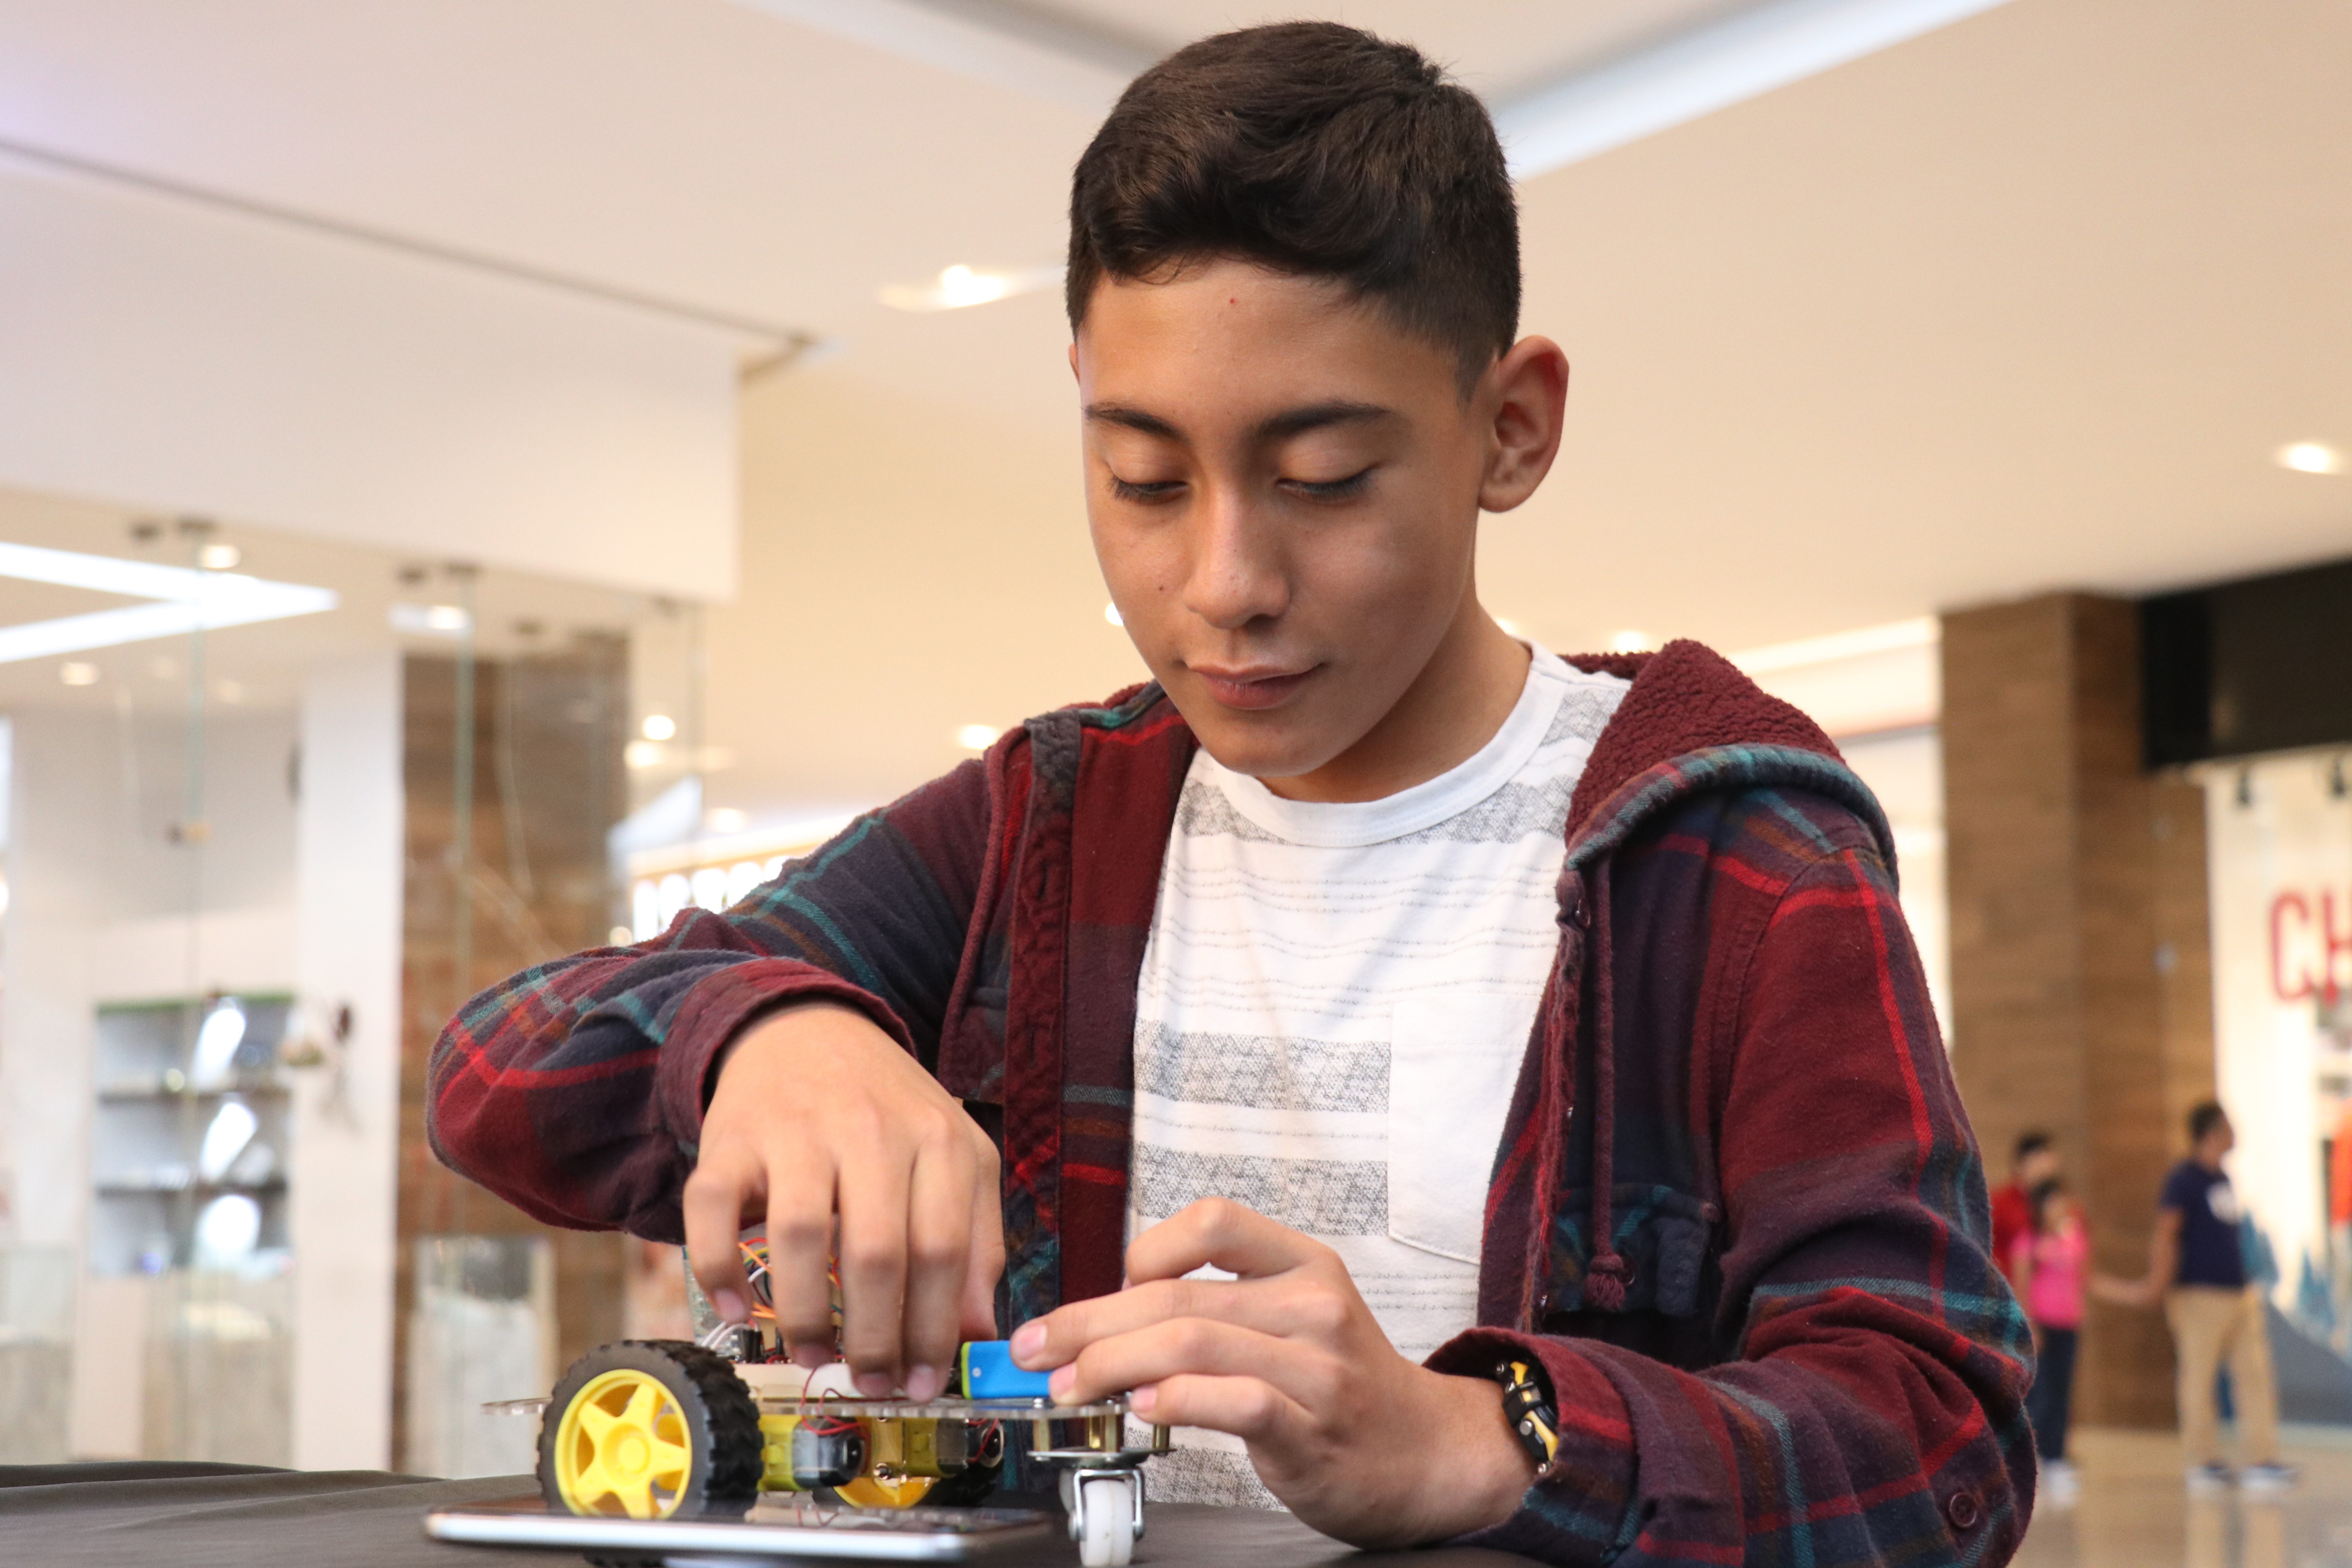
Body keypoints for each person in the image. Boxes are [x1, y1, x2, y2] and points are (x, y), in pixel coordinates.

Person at [428, 22, 2031, 1565]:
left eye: (1322, 479)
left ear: (1511, 425)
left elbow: (1938, 1445)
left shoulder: (1726, 857)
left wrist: (1481, 1442)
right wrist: (765, 1038)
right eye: (1138, 478)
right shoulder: (1044, 825)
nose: (1221, 583)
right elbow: (495, 1073)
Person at [2108, 1101, 2295, 1494]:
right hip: (2198, 1294)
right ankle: (2202, 1458)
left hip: (2237, 1293)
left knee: (2255, 1373)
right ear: (2210, 1132)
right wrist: (2159, 1282)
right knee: (2199, 1375)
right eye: (2228, 1125)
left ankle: (2262, 1456)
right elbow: (2166, 1232)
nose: (2235, 1132)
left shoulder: (2222, 1177)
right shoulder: (2184, 1179)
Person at [2012, 1178, 2087, 1503]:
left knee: (2062, 1389)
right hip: (2040, 1327)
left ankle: (2056, 1455)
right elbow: (2022, 1286)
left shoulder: (2074, 1240)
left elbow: (2085, 1279)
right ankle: (2028, 1455)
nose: (2059, 1209)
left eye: (2063, 1201)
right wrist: (2030, 1328)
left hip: (2068, 1326)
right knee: (2038, 1393)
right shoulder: (2028, 1242)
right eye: (2052, 1202)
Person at [1993, 1131, 2059, 1284]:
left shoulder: (2064, 1209)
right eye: (2038, 1162)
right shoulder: (1998, 1204)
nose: (2044, 1171)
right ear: (2019, 1164)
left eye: (2049, 1164)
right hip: (2006, 1293)